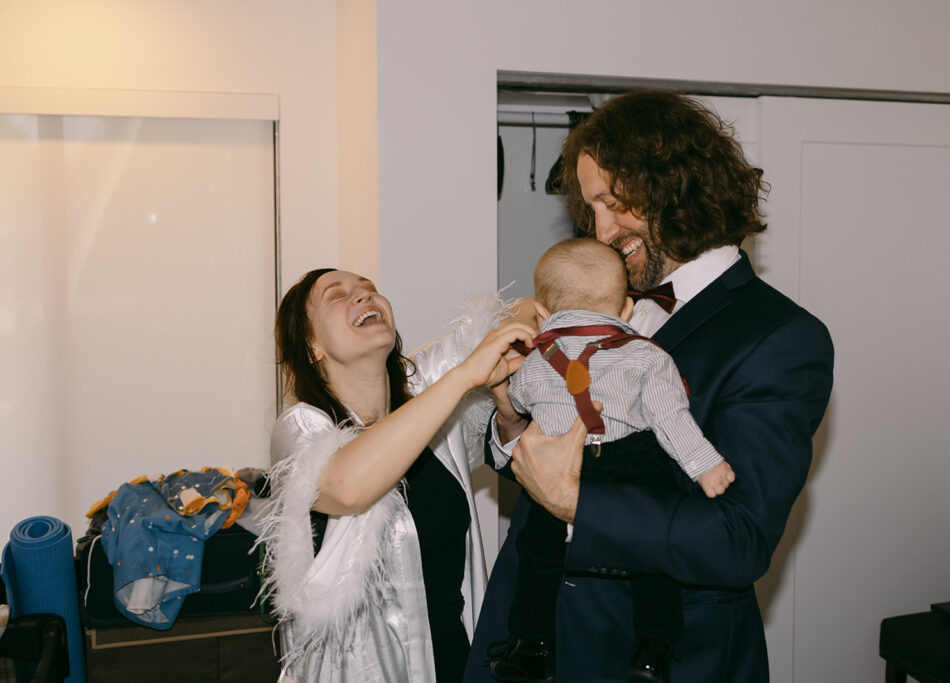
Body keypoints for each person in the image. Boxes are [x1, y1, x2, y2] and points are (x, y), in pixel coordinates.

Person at [466, 90, 835, 683]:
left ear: (676, 186)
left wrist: (575, 504)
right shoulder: (593, 303)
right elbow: (540, 458)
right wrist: (510, 417)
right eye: (592, 211)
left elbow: (738, 538)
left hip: (653, 657)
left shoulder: (781, 337)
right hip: (529, 636)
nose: (602, 232)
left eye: (613, 204)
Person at [257, 268, 534, 683]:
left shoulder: (432, 417)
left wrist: (509, 413)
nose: (363, 297)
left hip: (456, 660)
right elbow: (347, 488)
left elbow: (522, 314)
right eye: (338, 295)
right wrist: (463, 376)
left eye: (369, 290)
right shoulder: (300, 428)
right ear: (311, 345)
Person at [488, 237, 734, 683]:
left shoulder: (535, 361)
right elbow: (670, 418)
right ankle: (654, 650)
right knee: (653, 562)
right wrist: (705, 465)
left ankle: (532, 647)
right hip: (633, 463)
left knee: (537, 557)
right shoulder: (647, 355)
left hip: (558, 463)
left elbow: (520, 401)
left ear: (543, 314)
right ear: (626, 310)